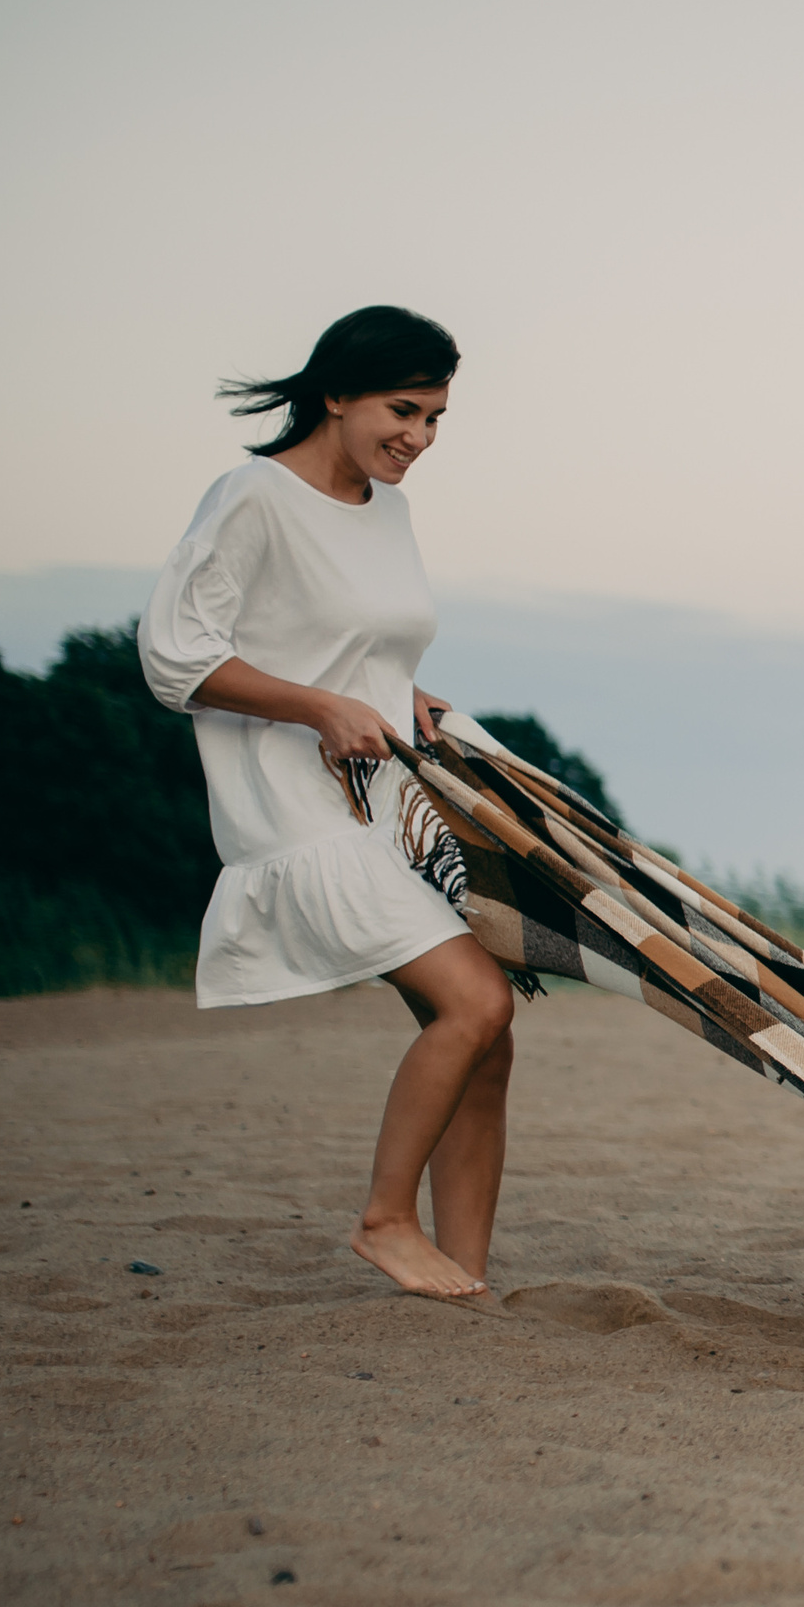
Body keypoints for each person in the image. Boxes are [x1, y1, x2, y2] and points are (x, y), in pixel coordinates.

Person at [138, 305, 513, 1300]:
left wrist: (402, 693)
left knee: (486, 1030)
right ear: (335, 392)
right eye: (403, 410)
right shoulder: (253, 497)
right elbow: (175, 658)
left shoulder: (386, 508)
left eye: (436, 419)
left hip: (385, 801)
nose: (419, 439)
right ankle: (387, 1221)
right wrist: (315, 706)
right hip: (299, 811)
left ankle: (463, 1279)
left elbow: (355, 642)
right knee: (473, 1002)